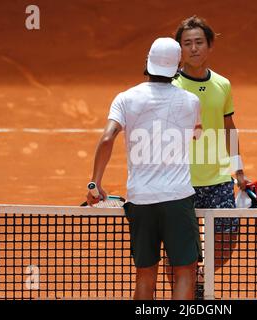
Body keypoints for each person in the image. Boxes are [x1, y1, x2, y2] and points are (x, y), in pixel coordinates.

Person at [87, 37, 202, 300]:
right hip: (177, 199)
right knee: (185, 272)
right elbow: (197, 135)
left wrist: (94, 185)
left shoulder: (125, 99)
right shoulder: (191, 101)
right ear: (177, 67)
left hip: (141, 200)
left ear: (147, 63)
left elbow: (107, 139)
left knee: (145, 274)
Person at [172, 15, 247, 298]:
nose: (193, 48)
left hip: (217, 178)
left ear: (209, 46)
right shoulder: (171, 86)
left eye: (199, 42)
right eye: (187, 43)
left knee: (227, 240)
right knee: (178, 251)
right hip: (180, 181)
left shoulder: (223, 85)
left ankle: (199, 277)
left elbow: (229, 128)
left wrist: (238, 168)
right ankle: (184, 295)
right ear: (179, 49)